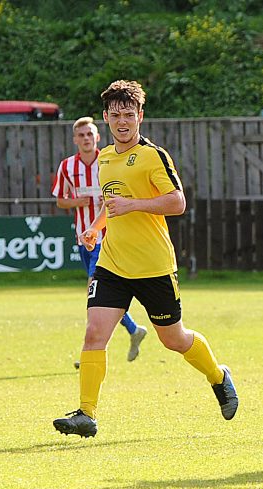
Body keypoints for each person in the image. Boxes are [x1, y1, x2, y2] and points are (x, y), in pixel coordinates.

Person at [53, 80, 238, 438]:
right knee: (94, 333)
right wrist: (95, 226)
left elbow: (177, 202)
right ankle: (86, 414)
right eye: (116, 114)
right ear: (106, 117)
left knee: (174, 339)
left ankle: (218, 376)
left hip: (154, 267)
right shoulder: (105, 157)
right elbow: (112, 202)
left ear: (140, 116)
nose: (122, 121)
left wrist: (135, 205)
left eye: (129, 114)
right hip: (113, 264)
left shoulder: (154, 156)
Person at [52, 117, 148, 368]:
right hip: (85, 238)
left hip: (109, 237)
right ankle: (133, 329)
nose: (85, 138)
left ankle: (90, 352)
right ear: (75, 139)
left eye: (89, 134)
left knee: (93, 289)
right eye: (81, 135)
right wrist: (76, 203)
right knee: (102, 293)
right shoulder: (67, 167)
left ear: (97, 137)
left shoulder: (108, 160)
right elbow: (60, 200)